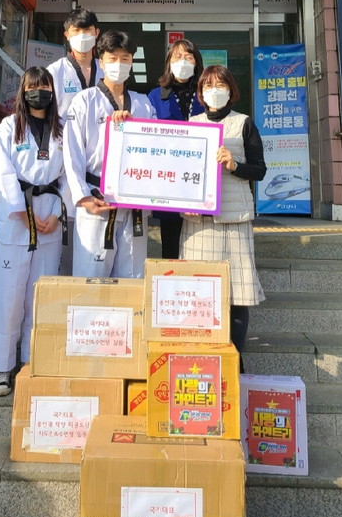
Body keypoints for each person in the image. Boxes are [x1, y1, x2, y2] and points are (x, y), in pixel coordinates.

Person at [0, 66, 66, 396]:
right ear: (23, 91)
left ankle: (33, 363)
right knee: (9, 298)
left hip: (49, 216)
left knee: (40, 297)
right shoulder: (9, 127)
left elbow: (69, 175)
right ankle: (2, 369)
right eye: (33, 87)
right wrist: (22, 211)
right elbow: (2, 172)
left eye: (45, 86)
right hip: (17, 218)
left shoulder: (62, 129)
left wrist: (59, 214)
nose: (40, 92)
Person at [180, 65, 266, 369]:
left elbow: (260, 170)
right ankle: (204, 359)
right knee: (199, 296)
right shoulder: (191, 124)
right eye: (208, 86)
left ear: (231, 90)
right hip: (198, 224)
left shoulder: (244, 123)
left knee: (236, 295)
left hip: (234, 220)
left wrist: (235, 165)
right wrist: (185, 203)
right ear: (201, 93)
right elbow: (180, 173)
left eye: (220, 85)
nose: (214, 91)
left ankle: (234, 362)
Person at [63, 29, 156, 278]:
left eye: (125, 58)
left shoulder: (144, 103)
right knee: (91, 276)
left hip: (134, 201)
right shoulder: (84, 101)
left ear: (132, 62)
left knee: (134, 276)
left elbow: (154, 151)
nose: (119, 64)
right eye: (112, 58)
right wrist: (83, 196)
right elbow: (72, 153)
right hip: (97, 198)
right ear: (101, 62)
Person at [46, 7, 101, 274]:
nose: (82, 36)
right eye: (76, 31)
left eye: (87, 30)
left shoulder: (108, 72)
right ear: (66, 35)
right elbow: (45, 118)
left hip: (98, 164)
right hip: (64, 164)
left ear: (96, 33)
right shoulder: (55, 72)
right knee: (66, 238)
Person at [148, 39, 205, 259]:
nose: (183, 62)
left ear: (196, 62)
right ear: (169, 63)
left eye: (188, 57)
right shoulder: (155, 96)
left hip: (199, 178)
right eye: (177, 57)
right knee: (171, 246)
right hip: (169, 181)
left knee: (200, 246)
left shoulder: (206, 93)